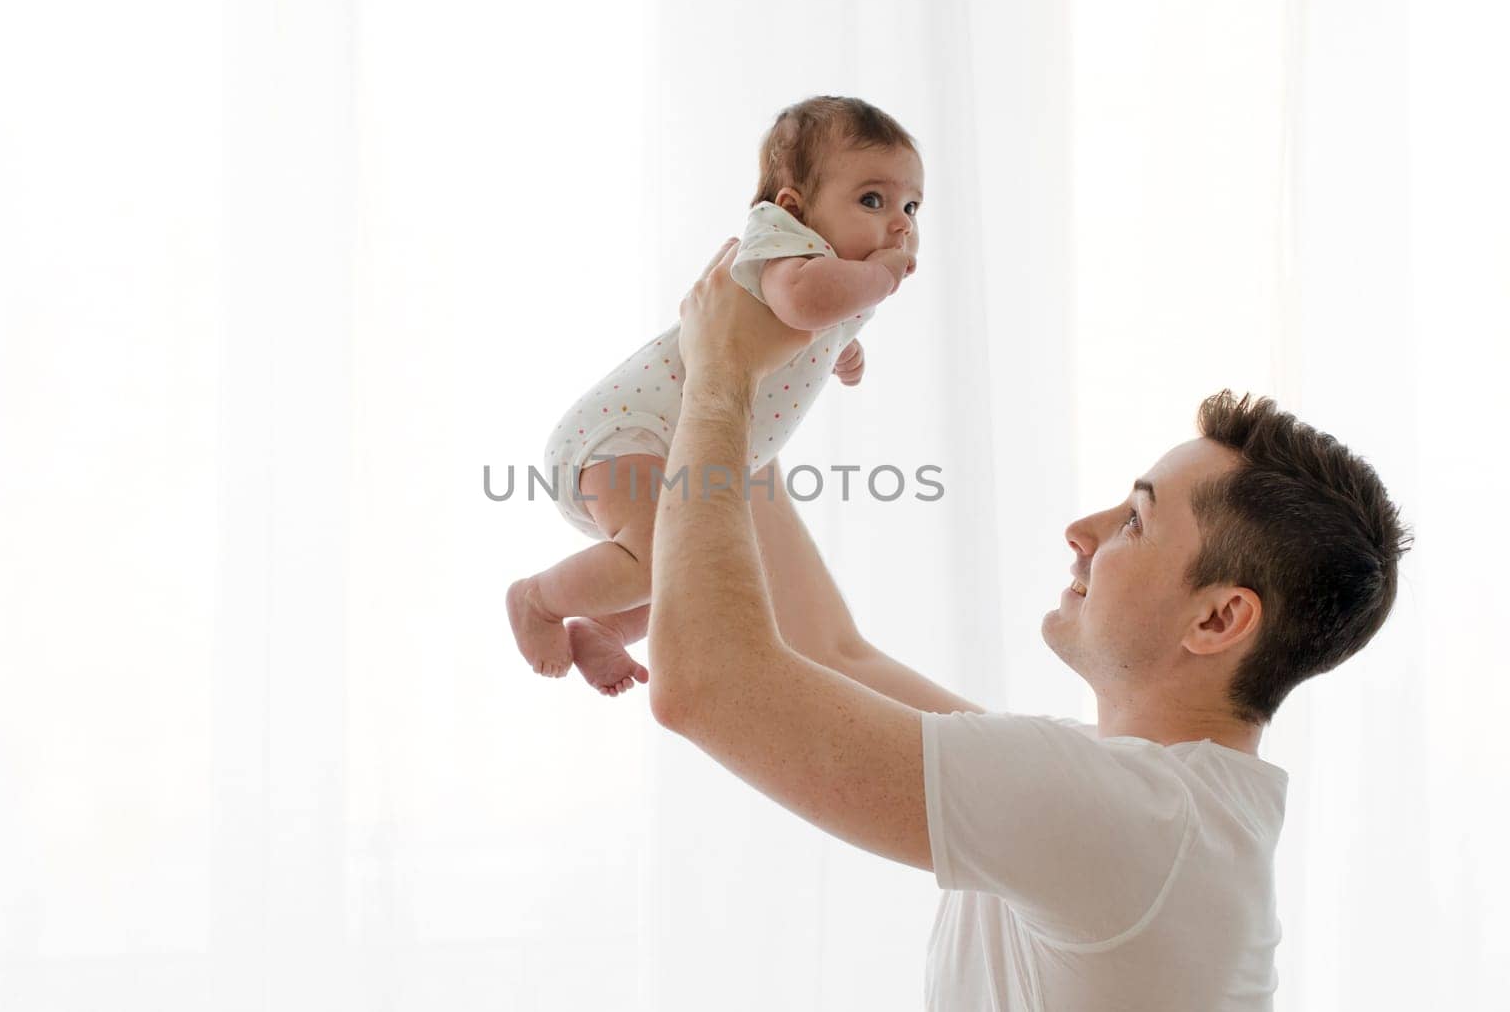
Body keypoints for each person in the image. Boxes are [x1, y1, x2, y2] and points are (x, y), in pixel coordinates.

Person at [647, 239, 1413, 1010]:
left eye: (1137, 521)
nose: (1084, 530)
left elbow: (707, 686)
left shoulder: (1130, 819)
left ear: (1217, 618)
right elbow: (832, 652)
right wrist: (750, 398)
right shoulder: (1142, 803)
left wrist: (719, 384)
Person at [505, 95, 923, 696]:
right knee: (657, 555)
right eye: (873, 200)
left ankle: (602, 627)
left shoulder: (837, 279)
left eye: (911, 205)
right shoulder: (782, 245)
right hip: (625, 434)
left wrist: (841, 351)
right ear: (794, 207)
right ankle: (538, 599)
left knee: (690, 569)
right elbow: (801, 302)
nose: (901, 223)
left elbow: (814, 325)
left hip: (677, 452)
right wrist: (880, 278)